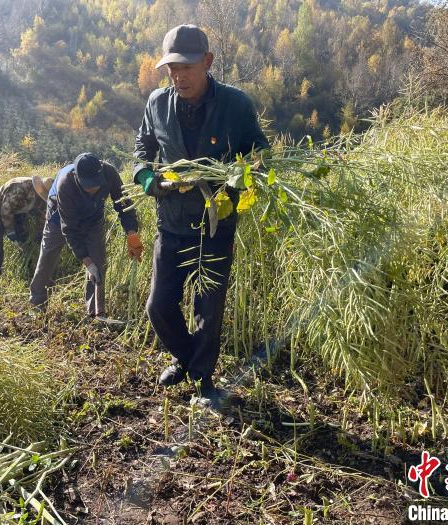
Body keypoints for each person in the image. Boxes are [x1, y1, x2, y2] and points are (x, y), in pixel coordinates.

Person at [133, 24, 269, 407]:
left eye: (187, 67)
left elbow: (260, 152)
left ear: (207, 62)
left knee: (209, 308)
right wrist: (148, 180)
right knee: (158, 305)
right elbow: (141, 150)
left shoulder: (236, 105)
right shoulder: (157, 104)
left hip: (215, 225)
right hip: (172, 223)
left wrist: (244, 173)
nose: (179, 75)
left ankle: (204, 380)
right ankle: (185, 358)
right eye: (172, 68)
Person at [29, 153, 143, 316]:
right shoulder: (65, 184)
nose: (93, 189)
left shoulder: (109, 173)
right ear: (76, 177)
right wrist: (87, 263)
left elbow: (123, 204)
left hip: (93, 218)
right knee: (48, 257)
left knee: (99, 261)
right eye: (87, 185)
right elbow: (69, 230)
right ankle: (37, 303)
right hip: (59, 216)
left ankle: (96, 312)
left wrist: (131, 234)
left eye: (95, 184)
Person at [0, 176, 51, 281]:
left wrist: (40, 234)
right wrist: (12, 235)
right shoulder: (20, 189)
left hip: (19, 211)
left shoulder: (42, 197)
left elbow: (42, 215)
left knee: (24, 238)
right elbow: (5, 212)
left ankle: (26, 270)